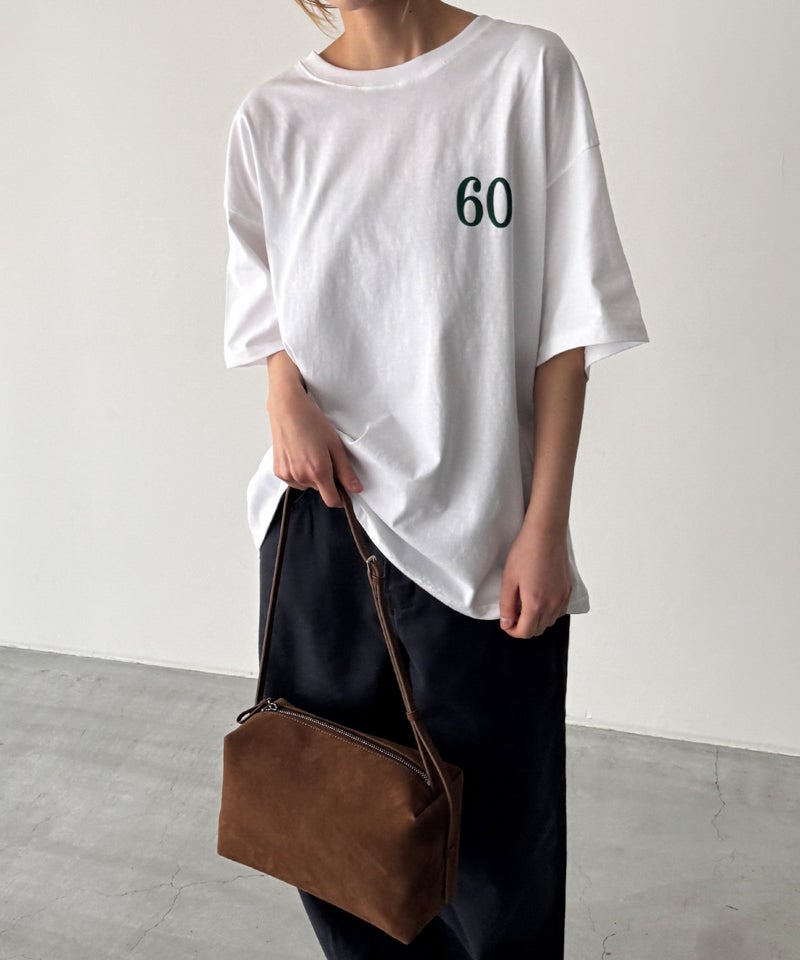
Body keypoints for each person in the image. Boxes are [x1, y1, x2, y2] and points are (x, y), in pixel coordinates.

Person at [222, 1, 650, 957]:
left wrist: (545, 525)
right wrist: (282, 393)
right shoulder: (273, 115)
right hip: (320, 524)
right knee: (342, 844)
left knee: (502, 858)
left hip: (485, 533)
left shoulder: (524, 72)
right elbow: (265, 305)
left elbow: (569, 325)